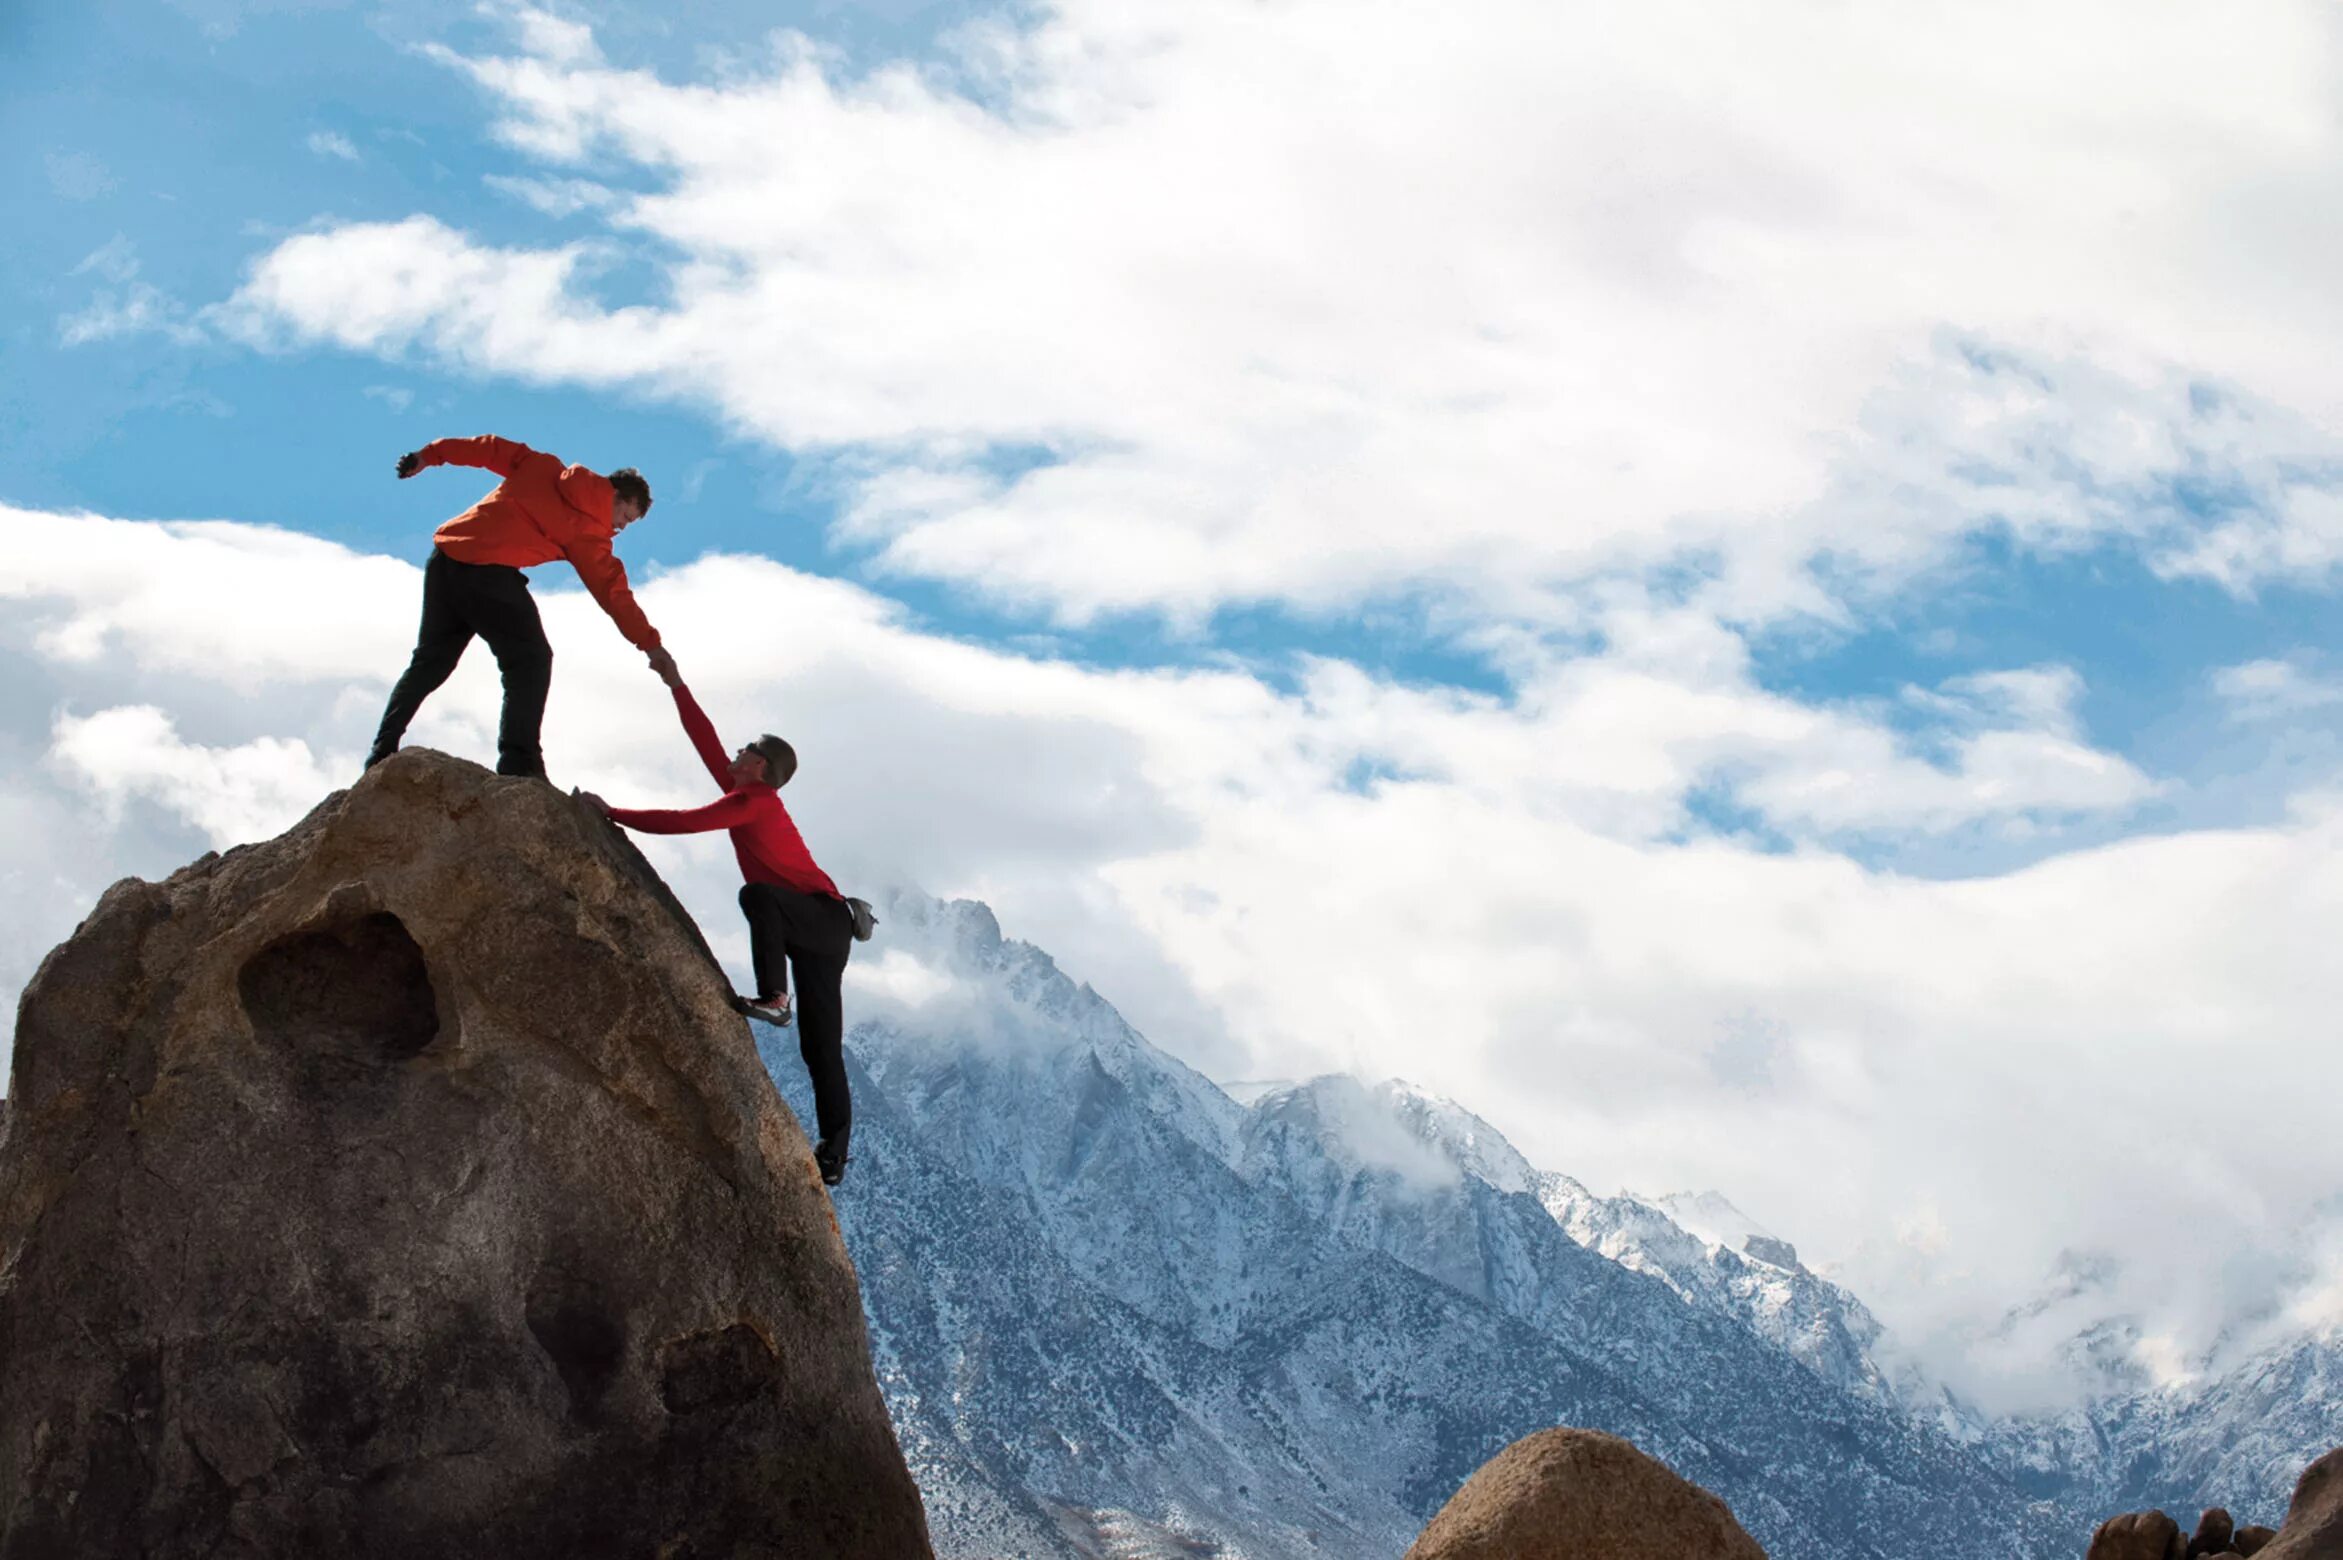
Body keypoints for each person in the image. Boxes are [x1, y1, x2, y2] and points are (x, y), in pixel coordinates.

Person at [578, 667, 874, 1188]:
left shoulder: (753, 801)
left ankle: (775, 998)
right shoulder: (747, 794)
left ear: (759, 765)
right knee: (820, 1048)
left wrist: (612, 812)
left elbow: (685, 822)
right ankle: (834, 1154)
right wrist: (676, 685)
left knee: (757, 896)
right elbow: (705, 740)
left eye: (744, 750)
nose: (733, 753)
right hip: (826, 927)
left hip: (818, 918)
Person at [365, 435, 675, 779]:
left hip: (445, 559)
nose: (619, 527)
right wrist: (651, 644)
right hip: (488, 578)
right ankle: (519, 761)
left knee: (430, 662)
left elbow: (488, 448)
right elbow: (613, 593)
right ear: (616, 495)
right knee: (530, 660)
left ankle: (382, 749)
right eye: (625, 517)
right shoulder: (589, 533)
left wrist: (428, 456)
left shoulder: (543, 466)